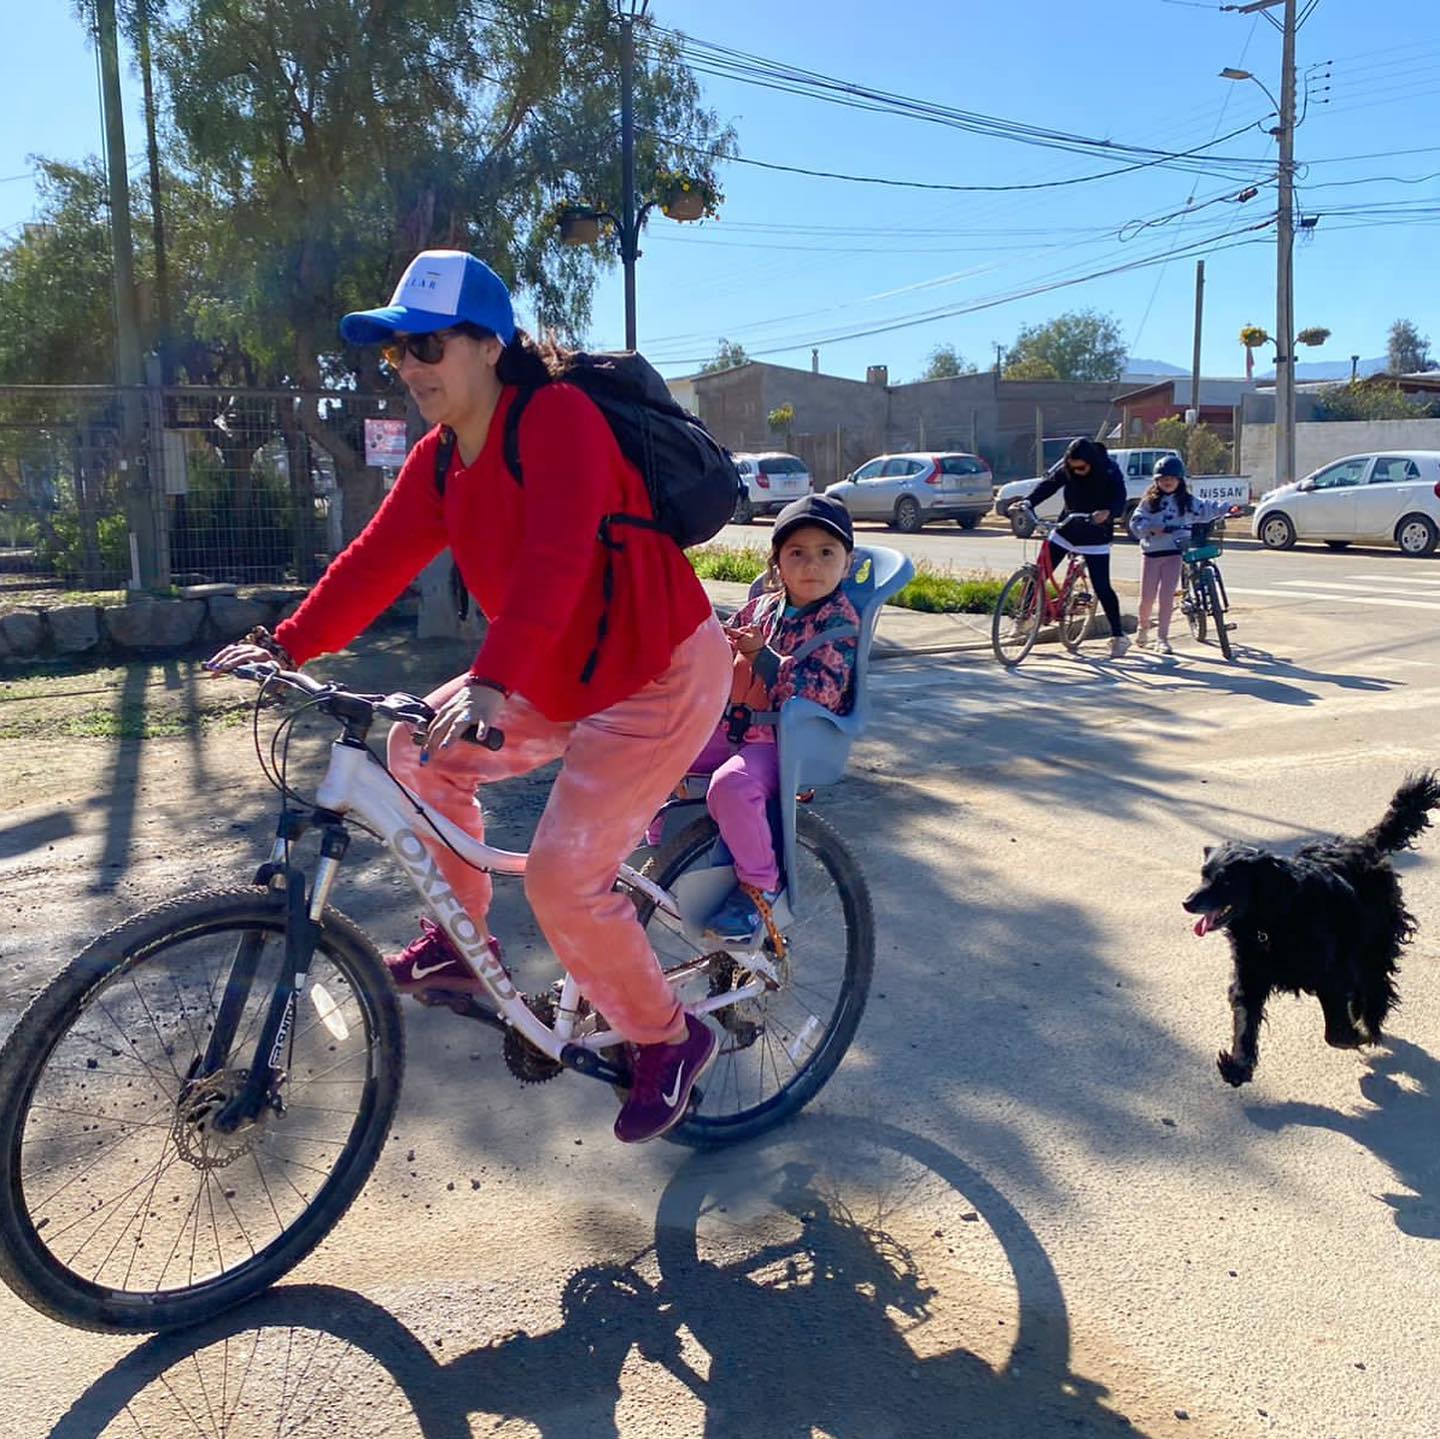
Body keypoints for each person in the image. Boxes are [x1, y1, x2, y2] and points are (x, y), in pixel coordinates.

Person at [207, 249, 730, 1145]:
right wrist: (282, 643)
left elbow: (562, 558)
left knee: (568, 882)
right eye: (397, 354)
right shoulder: (442, 460)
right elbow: (374, 562)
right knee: (417, 748)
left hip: (657, 672)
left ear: (490, 345)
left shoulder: (558, 420)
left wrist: (490, 680)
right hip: (555, 674)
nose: (410, 369)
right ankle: (462, 943)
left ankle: (672, 1039)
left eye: (428, 346)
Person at [677, 494, 860, 942]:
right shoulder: (763, 607)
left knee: (731, 786)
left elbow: (817, 693)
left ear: (847, 563)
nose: (811, 565)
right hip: (737, 727)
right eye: (796, 552)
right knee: (659, 748)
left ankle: (759, 888)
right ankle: (664, 856)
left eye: (826, 553)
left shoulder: (838, 622)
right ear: (776, 562)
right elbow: (724, 652)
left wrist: (761, 658)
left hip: (788, 742)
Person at [1022, 437, 1130, 658]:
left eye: (1081, 467)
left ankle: (1118, 636)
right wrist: (1028, 502)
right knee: (1038, 572)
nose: (1077, 471)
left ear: (1091, 462)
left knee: (1102, 586)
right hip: (1066, 529)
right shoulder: (1068, 468)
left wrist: (1108, 512)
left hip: (1096, 536)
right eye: (1073, 468)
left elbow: (1120, 498)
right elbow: (1049, 484)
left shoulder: (1109, 470)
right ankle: (1022, 617)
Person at [1128, 455, 1239, 654]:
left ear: (1180, 480)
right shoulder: (1148, 503)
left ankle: (1162, 638)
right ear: (1156, 481)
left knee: (1166, 597)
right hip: (1152, 554)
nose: (1167, 482)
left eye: (1172, 477)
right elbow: (1136, 522)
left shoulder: (1187, 502)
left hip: (1175, 553)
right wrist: (1152, 528)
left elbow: (1208, 507)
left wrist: (1229, 508)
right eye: (1162, 478)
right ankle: (1143, 628)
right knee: (1147, 598)